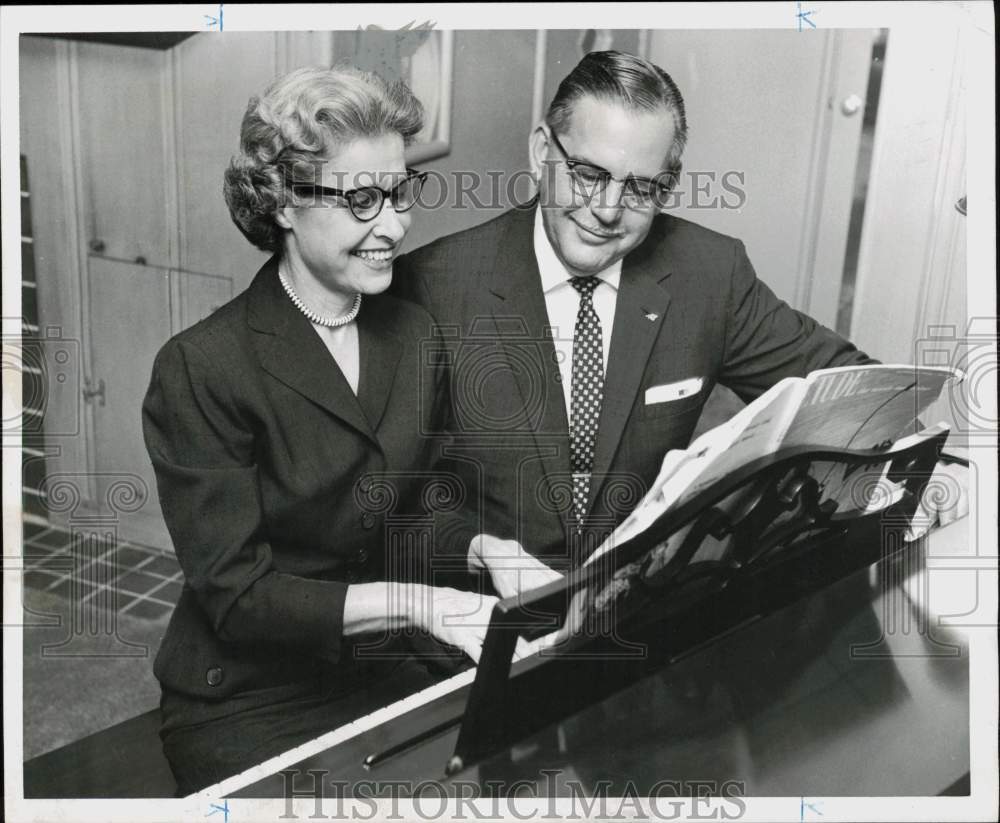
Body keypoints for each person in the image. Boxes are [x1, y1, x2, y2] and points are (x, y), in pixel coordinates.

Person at [392, 50, 967, 577]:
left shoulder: (708, 273)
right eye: (589, 175)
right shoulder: (432, 287)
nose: (608, 210)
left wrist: (913, 467)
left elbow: (846, 382)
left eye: (642, 188)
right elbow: (381, 511)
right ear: (542, 150)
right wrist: (479, 553)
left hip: (642, 609)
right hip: (474, 623)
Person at [141, 66, 518, 794]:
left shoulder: (412, 334)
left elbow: (421, 509)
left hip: (382, 657)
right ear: (283, 202)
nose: (396, 225)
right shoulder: (202, 366)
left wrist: (484, 545)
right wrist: (423, 602)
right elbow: (239, 596)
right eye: (363, 200)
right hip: (248, 692)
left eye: (401, 191)